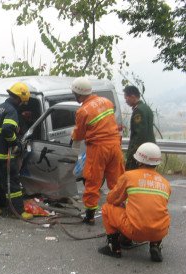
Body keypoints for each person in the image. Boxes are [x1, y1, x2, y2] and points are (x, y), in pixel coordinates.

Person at [99, 142, 170, 262]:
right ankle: (155, 245)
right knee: (157, 214)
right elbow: (152, 207)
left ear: (139, 161)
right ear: (157, 163)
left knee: (107, 208)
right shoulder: (165, 183)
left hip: (135, 231)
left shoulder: (129, 176)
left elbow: (111, 199)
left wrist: (121, 202)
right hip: (159, 231)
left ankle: (113, 247)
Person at [71, 77, 124, 225]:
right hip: (114, 145)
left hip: (98, 147)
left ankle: (90, 216)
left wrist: (73, 135)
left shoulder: (83, 110)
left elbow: (79, 134)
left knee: (93, 180)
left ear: (78, 93)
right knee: (117, 180)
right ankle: (119, 211)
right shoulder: (106, 102)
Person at [0, 82, 33, 220]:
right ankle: (18, 212)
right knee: (12, 182)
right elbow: (6, 129)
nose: (24, 104)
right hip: (3, 155)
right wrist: (15, 142)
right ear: (19, 99)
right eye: (24, 102)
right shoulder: (11, 111)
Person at [123, 85, 155, 170]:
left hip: (141, 151)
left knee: (133, 176)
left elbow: (139, 134)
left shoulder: (138, 110)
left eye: (126, 98)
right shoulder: (146, 108)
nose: (126, 101)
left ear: (133, 97)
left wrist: (131, 152)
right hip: (151, 149)